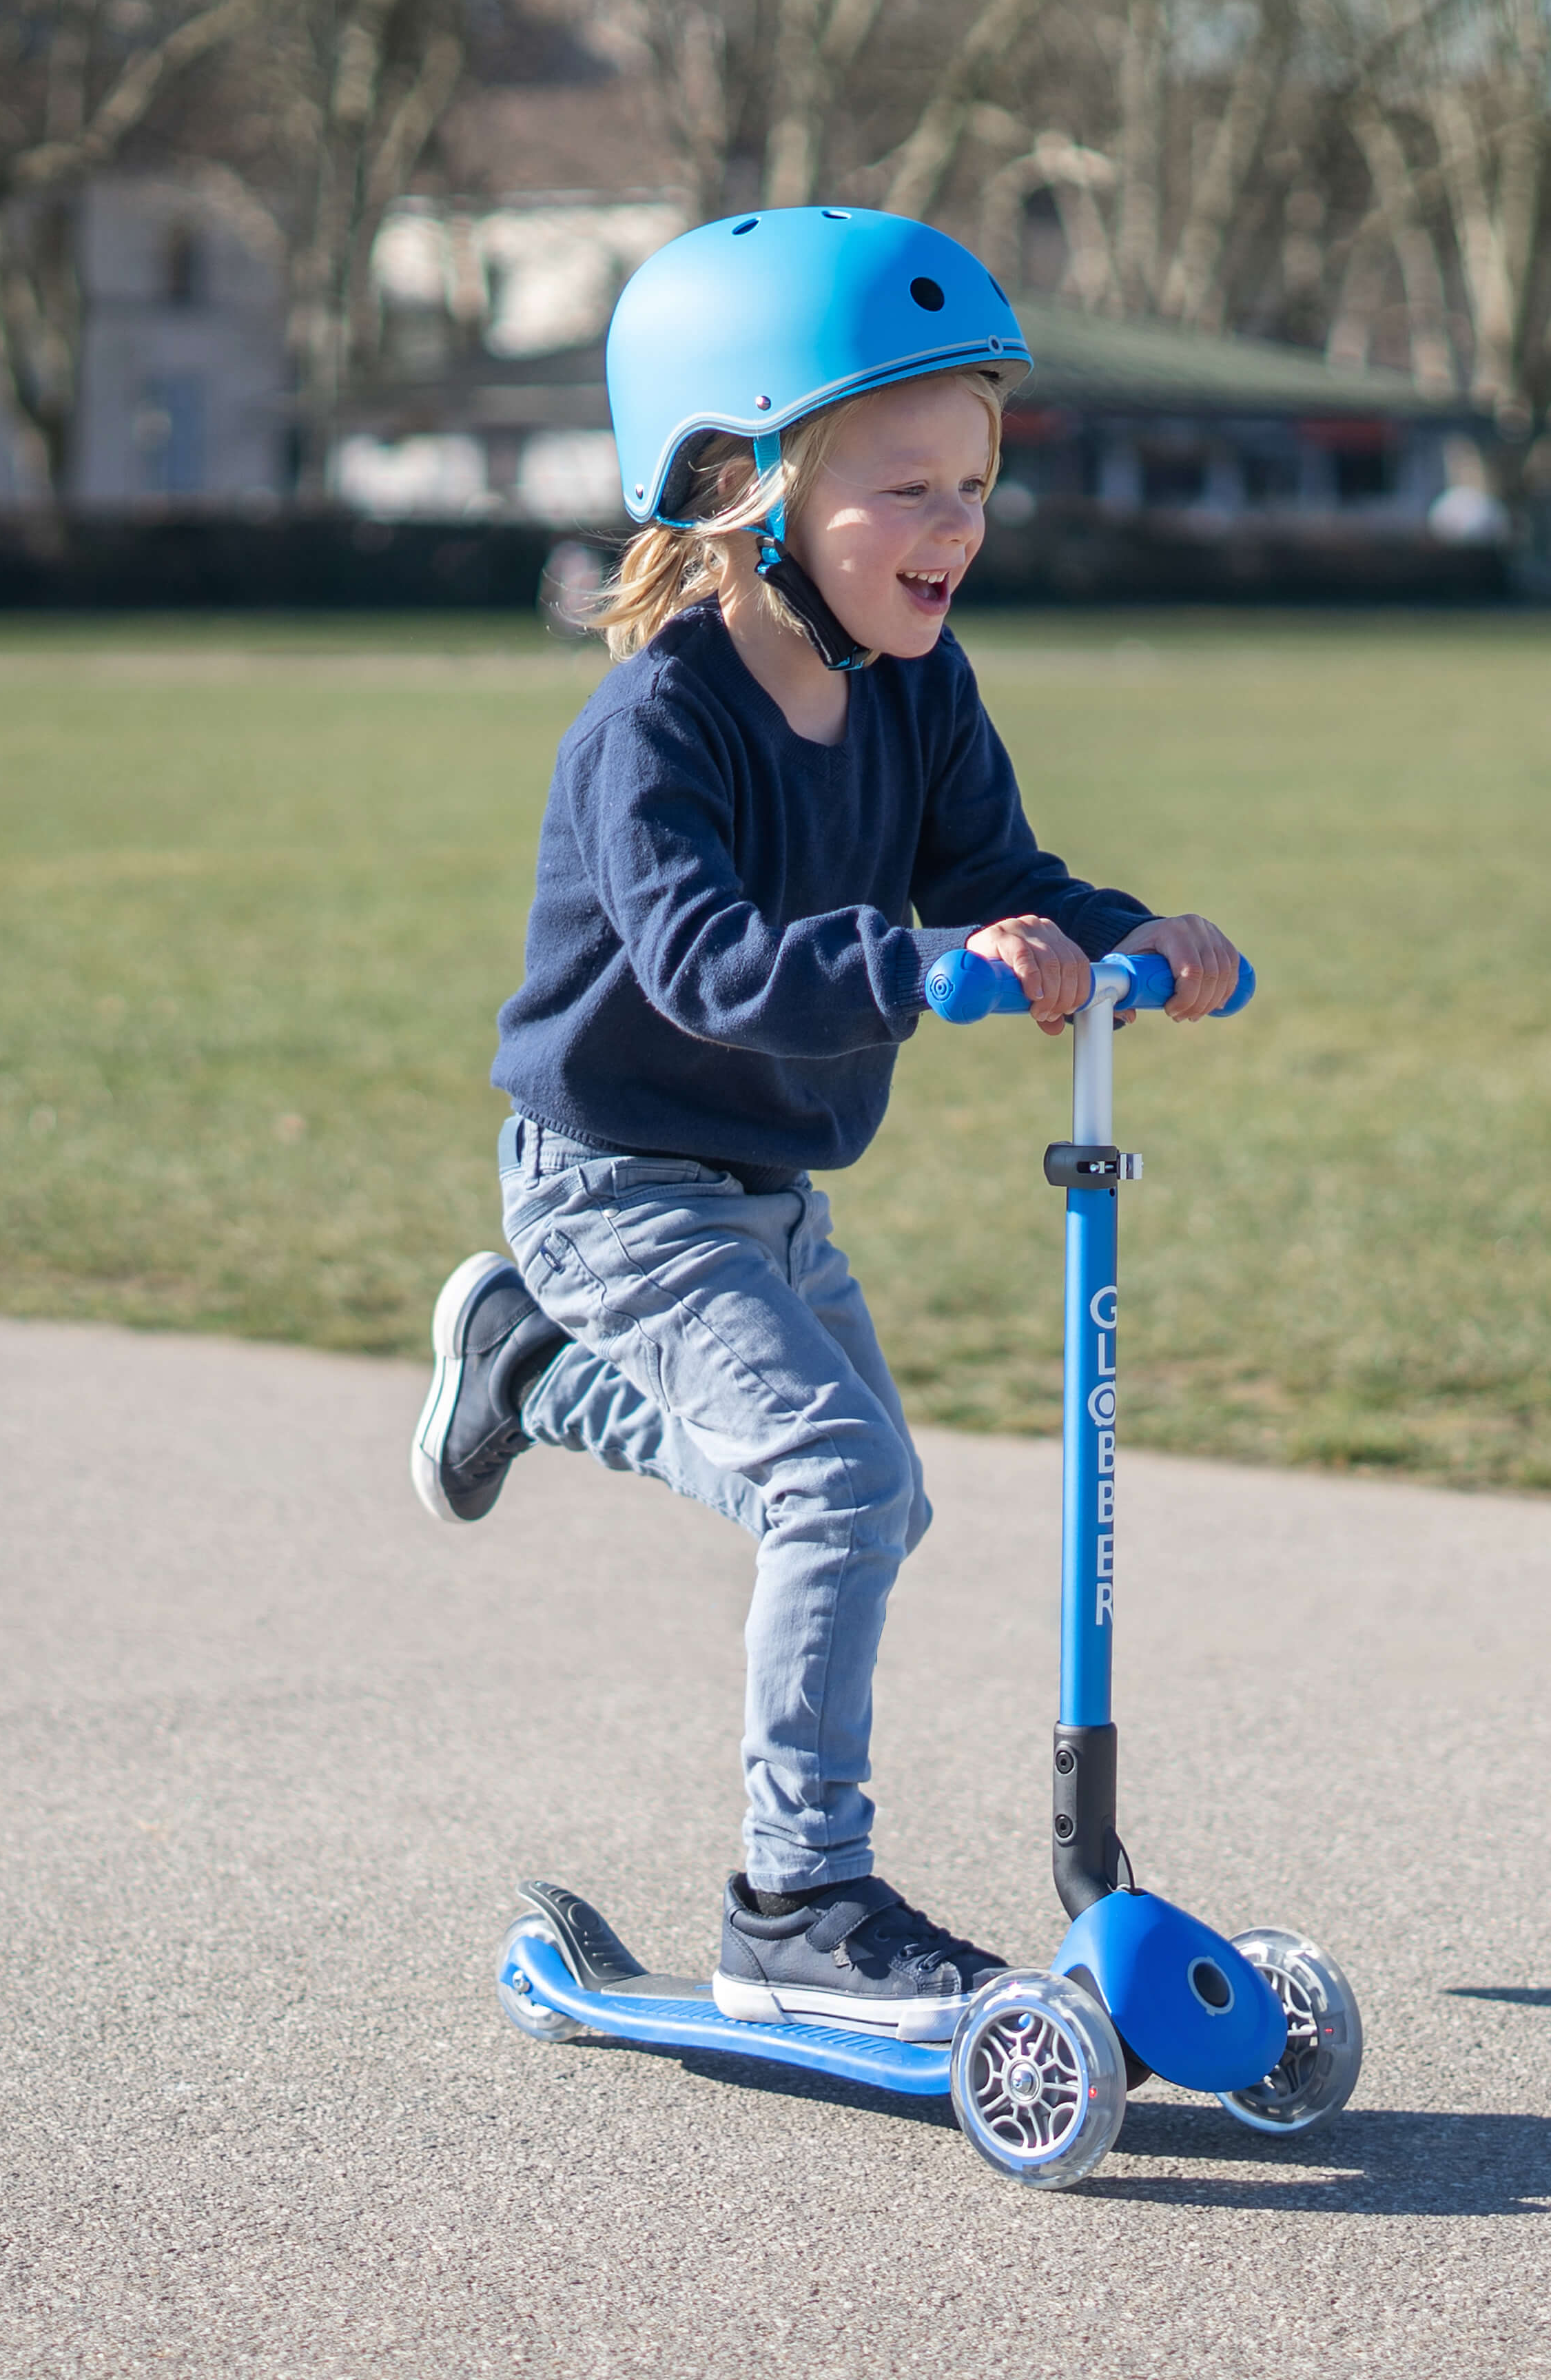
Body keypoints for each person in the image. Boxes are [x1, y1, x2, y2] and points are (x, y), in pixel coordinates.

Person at [407, 208, 1242, 2042]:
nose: (958, 528)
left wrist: (1133, 941)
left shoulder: (917, 695)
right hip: (617, 1178)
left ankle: (527, 1377)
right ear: (736, 483)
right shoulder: (655, 727)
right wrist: (927, 968)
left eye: (975, 484)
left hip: (769, 1181)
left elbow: (1001, 871)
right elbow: (706, 963)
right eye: (906, 489)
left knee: (872, 1493)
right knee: (837, 1482)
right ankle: (794, 1896)